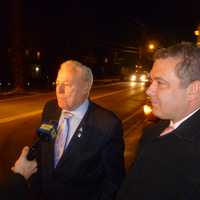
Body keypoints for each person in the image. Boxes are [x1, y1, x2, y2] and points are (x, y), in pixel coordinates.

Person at [116, 42, 200, 200]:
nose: (149, 90)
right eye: (151, 81)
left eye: (160, 83)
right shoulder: (153, 131)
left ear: (193, 90)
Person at [30, 60, 125, 200]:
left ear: (86, 87)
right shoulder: (50, 108)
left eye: (67, 85)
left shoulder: (107, 124)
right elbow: (41, 147)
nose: (59, 90)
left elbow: (113, 181)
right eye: (57, 84)